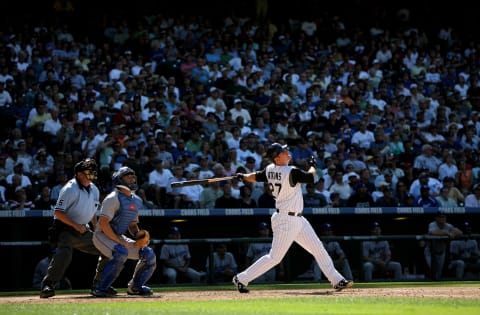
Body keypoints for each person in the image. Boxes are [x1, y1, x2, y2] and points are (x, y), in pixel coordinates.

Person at [232, 143, 353, 293]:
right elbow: (311, 178)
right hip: (286, 219)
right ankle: (241, 278)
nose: (287, 151)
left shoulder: (270, 169)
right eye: (283, 151)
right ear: (277, 157)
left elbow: (254, 177)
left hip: (297, 219)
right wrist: (312, 166)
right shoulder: (290, 171)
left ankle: (337, 280)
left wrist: (242, 176)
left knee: (318, 249)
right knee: (274, 258)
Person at [40, 158, 105, 298]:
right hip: (66, 229)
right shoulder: (70, 188)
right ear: (80, 174)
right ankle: (48, 284)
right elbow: (58, 212)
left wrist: (97, 230)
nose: (92, 173)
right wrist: (76, 226)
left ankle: (100, 285)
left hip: (84, 230)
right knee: (64, 254)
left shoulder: (94, 189)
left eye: (93, 170)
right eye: (88, 171)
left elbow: (93, 212)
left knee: (108, 249)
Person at [91, 166, 157, 297]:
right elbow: (103, 224)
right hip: (101, 235)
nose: (132, 178)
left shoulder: (136, 200)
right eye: (128, 176)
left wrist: (139, 236)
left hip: (117, 236)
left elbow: (132, 225)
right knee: (121, 252)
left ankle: (135, 287)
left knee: (148, 253)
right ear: (119, 179)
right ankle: (100, 288)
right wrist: (119, 241)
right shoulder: (112, 198)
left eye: (133, 175)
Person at [424, 211, 463, 280]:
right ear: (436, 218)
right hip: (430, 252)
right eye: (440, 217)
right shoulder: (432, 224)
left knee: (438, 274)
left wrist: (453, 233)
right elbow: (433, 232)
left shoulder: (448, 225)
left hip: (441, 252)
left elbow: (460, 232)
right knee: (432, 270)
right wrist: (446, 232)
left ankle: (437, 289)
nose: (442, 218)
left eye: (444, 217)